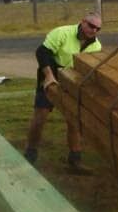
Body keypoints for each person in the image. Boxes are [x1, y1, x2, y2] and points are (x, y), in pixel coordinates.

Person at [24, 12, 102, 174]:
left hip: (72, 80)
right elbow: (42, 52)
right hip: (50, 73)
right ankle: (30, 155)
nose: (93, 30)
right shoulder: (62, 33)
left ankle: (75, 160)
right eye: (91, 25)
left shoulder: (96, 46)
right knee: (41, 116)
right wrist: (49, 76)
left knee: (74, 120)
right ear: (82, 22)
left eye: (97, 28)